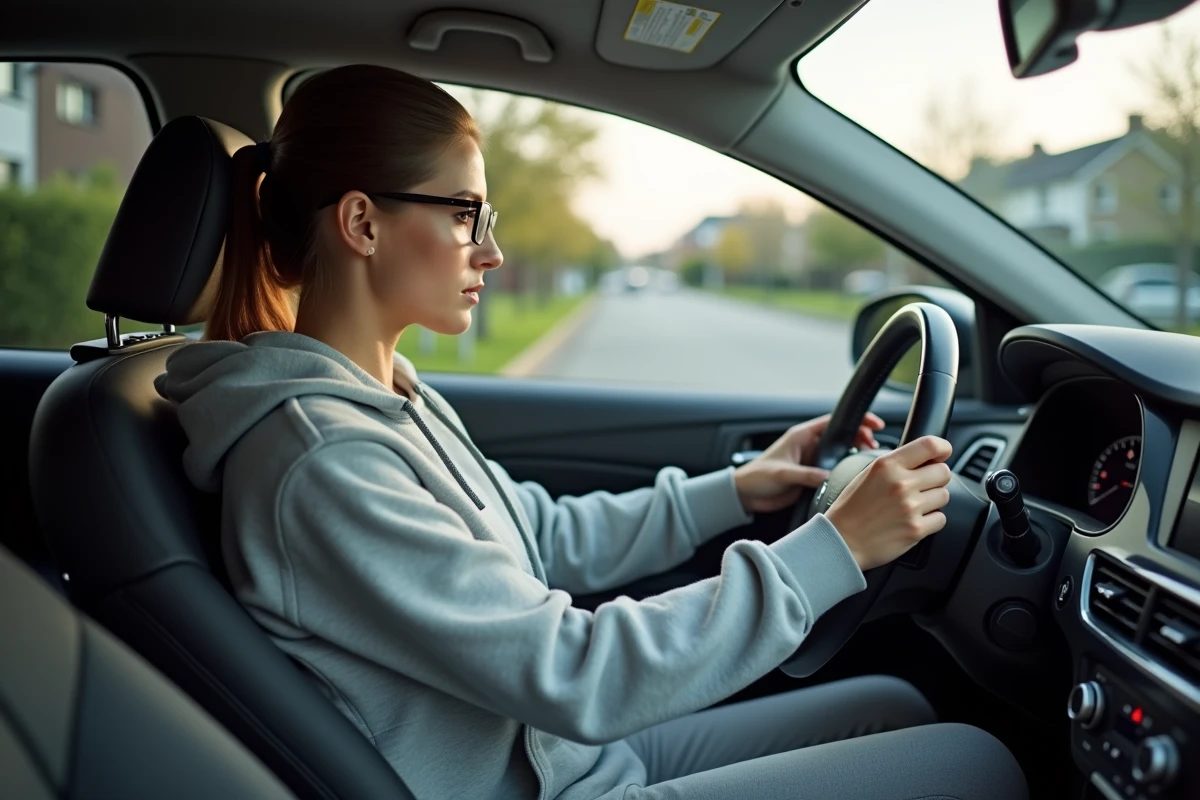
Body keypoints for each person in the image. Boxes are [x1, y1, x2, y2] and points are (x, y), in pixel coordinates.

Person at [155, 64, 1027, 800]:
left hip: (564, 759)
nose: (490, 252)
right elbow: (574, 674)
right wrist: (835, 549)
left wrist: (735, 490)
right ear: (361, 223)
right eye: (466, 214)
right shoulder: (320, 457)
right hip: (551, 779)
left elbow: (535, 533)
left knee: (894, 709)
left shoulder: (384, 394)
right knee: (972, 762)